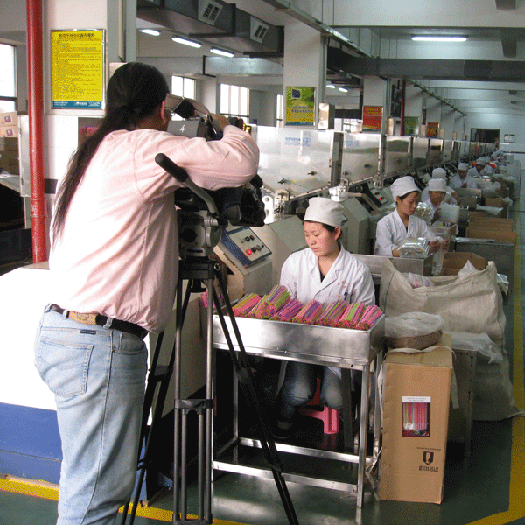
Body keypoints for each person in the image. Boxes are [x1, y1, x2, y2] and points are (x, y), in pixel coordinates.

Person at [33, 62, 259, 525]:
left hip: (64, 335)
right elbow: (240, 164)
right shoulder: (141, 147)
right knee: (95, 497)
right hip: (99, 347)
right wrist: (226, 124)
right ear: (160, 110)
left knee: (86, 482)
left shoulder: (90, 152)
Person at [275, 197, 375, 437]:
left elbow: (365, 316)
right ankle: (282, 419)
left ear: (336, 232)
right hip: (302, 344)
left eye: (317, 234)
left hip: (339, 348)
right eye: (307, 234)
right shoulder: (295, 263)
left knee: (335, 397)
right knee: (299, 391)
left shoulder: (357, 270)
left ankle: (349, 422)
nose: (311, 241)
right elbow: (284, 304)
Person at [374, 176, 441, 257]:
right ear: (398, 199)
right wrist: (416, 251)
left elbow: (432, 239)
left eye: (416, 202)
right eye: (411, 202)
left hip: (414, 264)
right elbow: (385, 249)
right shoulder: (385, 223)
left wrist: (439, 243)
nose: (415, 206)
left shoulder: (419, 223)